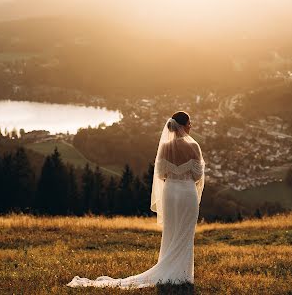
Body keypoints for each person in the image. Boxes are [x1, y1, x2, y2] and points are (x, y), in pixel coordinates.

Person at [67, 110, 205, 288]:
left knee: (171, 232)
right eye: (189, 123)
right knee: (185, 233)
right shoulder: (194, 147)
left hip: (170, 192)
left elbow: (161, 173)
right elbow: (197, 175)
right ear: (184, 125)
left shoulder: (165, 147)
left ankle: (171, 272)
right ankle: (182, 276)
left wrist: (174, 175)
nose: (191, 126)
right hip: (187, 193)